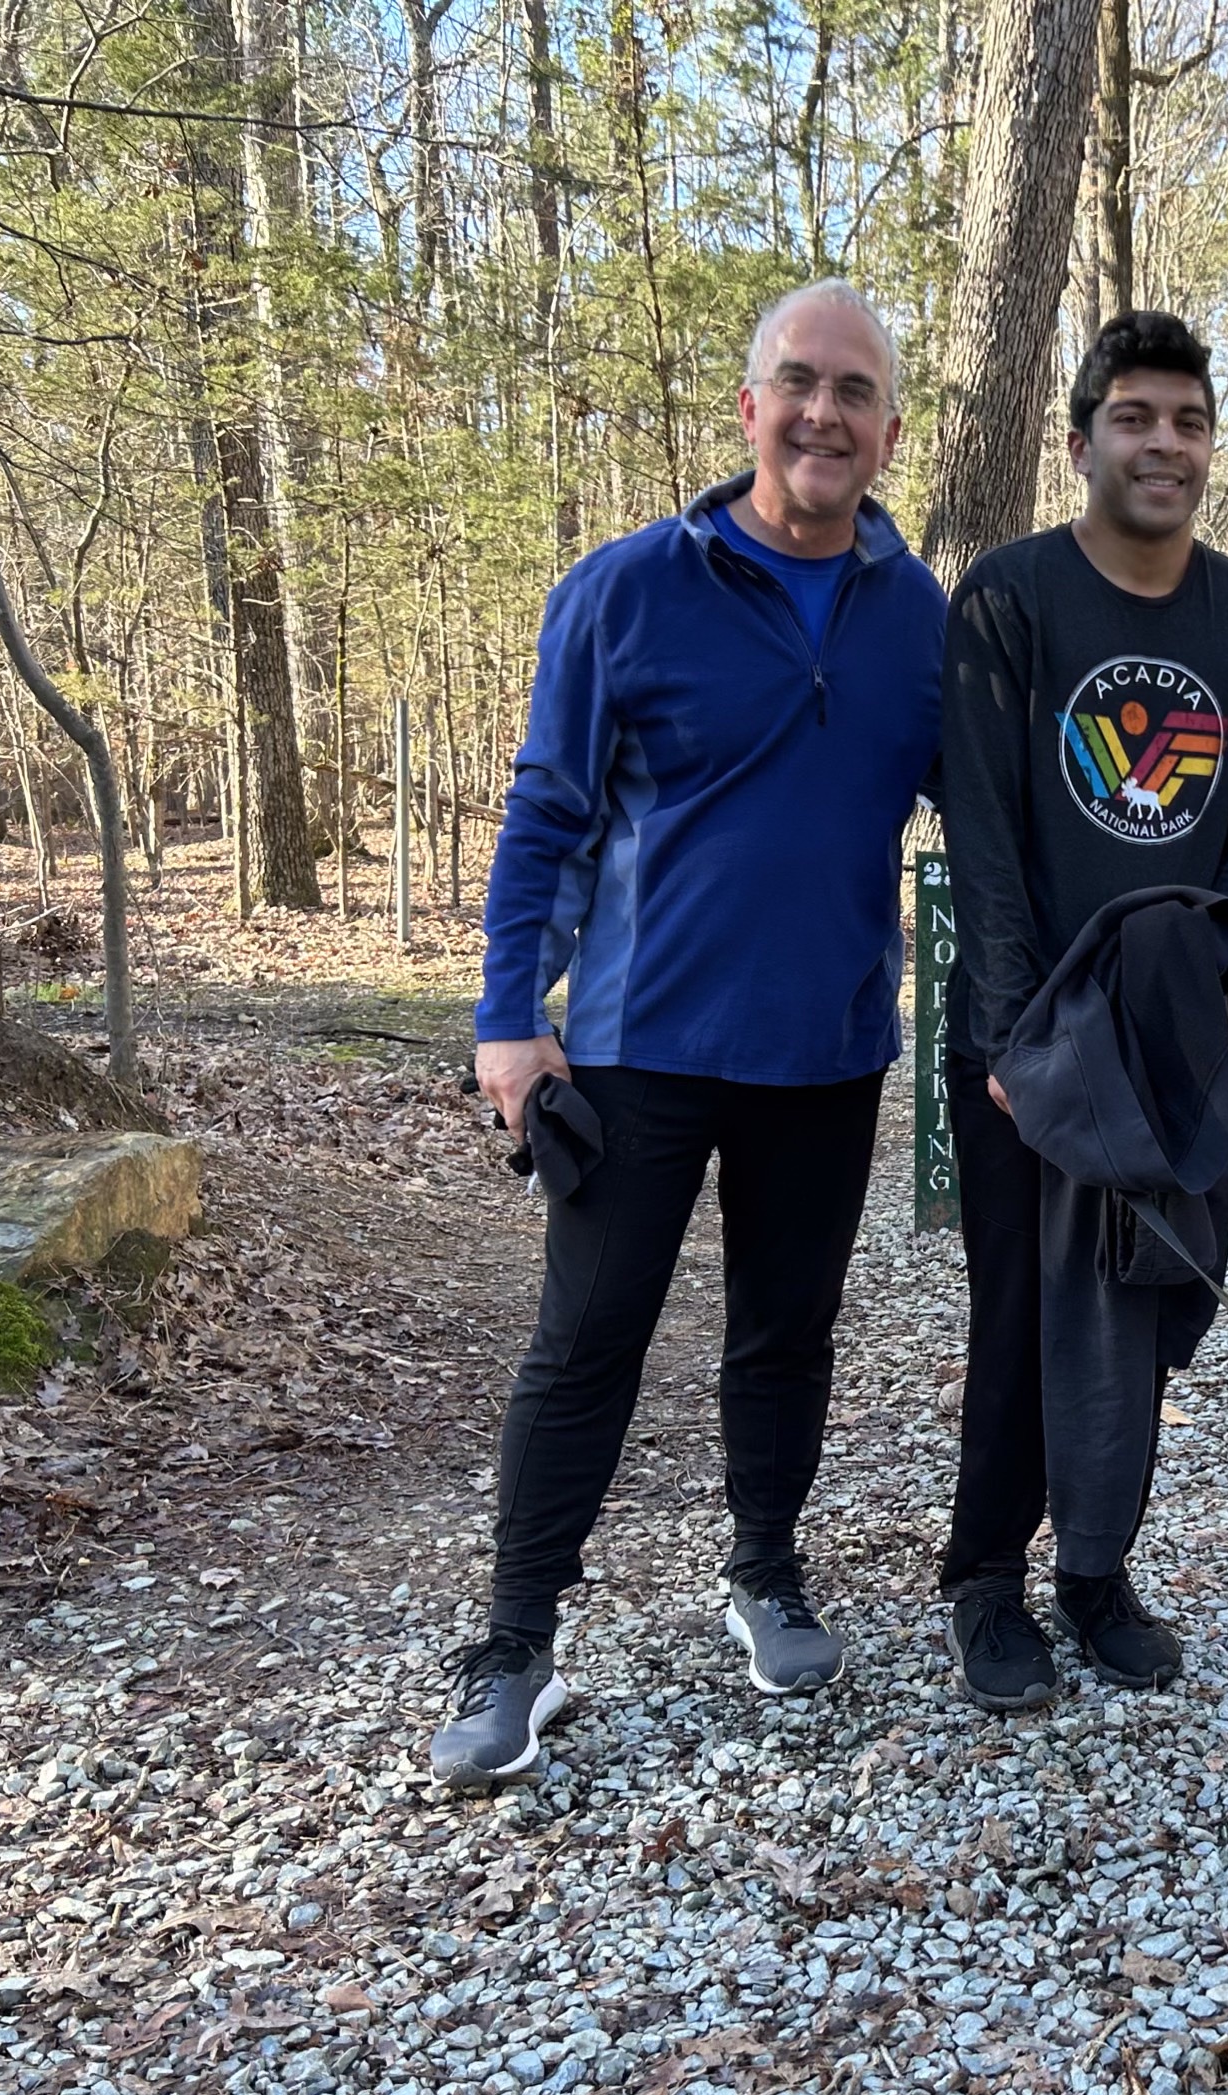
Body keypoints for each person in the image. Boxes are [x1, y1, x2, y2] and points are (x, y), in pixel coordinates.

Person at [431, 279, 944, 1789]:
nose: (823, 414)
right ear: (749, 410)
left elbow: (979, 811)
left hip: (829, 1050)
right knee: (584, 1346)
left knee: (785, 1339)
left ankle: (766, 1571)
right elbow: (547, 816)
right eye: (798, 383)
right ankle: (516, 1642)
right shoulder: (623, 591)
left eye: (855, 393)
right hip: (640, 1047)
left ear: (890, 431)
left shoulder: (917, 619)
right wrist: (509, 1022)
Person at [936, 311, 1228, 1710]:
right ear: (1079, 437)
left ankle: (1095, 1569)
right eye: (1135, 417)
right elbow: (987, 834)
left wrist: (1215, 938)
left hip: (1170, 1035)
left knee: (1150, 1304)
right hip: (1028, 1042)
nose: (1164, 443)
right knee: (1023, 1310)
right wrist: (1023, 1041)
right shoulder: (1010, 600)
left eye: (1188, 421)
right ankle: (986, 1578)